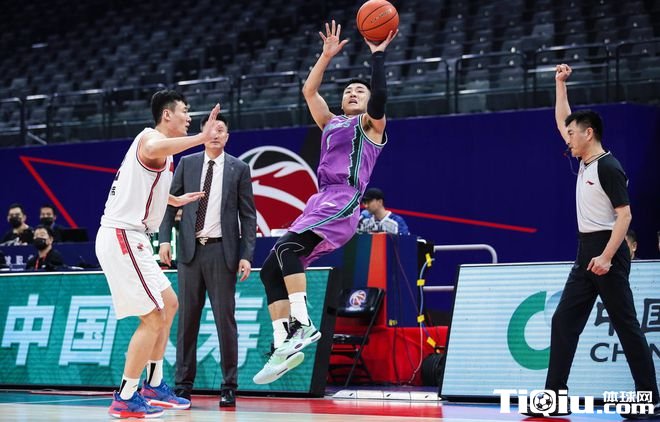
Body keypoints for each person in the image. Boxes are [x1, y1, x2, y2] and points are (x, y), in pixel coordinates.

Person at [252, 21, 397, 385]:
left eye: (359, 91)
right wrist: (326, 55)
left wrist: (378, 56)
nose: (353, 93)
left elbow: (380, 97)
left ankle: (302, 324)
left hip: (344, 199)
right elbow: (309, 90)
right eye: (348, 90)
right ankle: (283, 344)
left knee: (287, 249)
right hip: (320, 200)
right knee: (270, 270)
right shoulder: (331, 123)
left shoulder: (371, 126)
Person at [528, 64, 659, 418]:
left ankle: (649, 400)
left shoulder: (608, 167)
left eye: (572, 134)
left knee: (627, 327)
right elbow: (562, 120)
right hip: (586, 252)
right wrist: (560, 84)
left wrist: (606, 256)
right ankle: (554, 398)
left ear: (589, 134)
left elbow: (625, 217)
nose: (566, 139)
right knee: (562, 322)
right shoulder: (585, 159)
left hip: (608, 254)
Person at [96, 89, 222, 419]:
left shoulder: (163, 152)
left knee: (170, 303)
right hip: (122, 234)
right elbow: (151, 149)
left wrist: (172, 200)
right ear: (167, 115)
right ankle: (125, 396)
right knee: (153, 317)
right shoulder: (151, 139)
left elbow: (141, 184)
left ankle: (153, 384)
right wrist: (202, 138)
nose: (189, 117)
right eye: (185, 111)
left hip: (134, 236)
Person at [158, 113, 256, 407]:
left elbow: (248, 216)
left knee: (225, 320)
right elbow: (167, 204)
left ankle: (229, 386)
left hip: (222, 252)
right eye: (210, 129)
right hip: (189, 252)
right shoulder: (187, 164)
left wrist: (246, 255)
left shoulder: (239, 168)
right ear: (202, 134)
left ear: (227, 136)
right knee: (186, 321)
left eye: (220, 129)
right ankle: (182, 386)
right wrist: (164, 240)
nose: (215, 134)